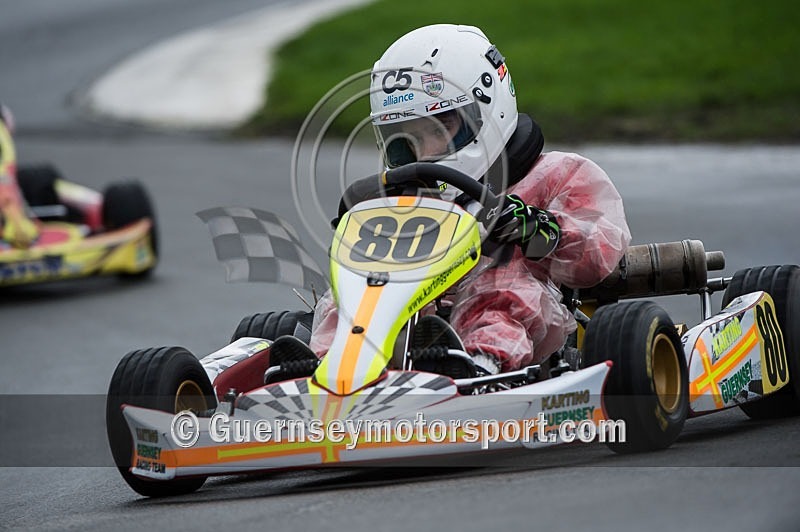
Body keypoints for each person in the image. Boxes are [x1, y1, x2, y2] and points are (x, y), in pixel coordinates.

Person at [307, 24, 631, 377]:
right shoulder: (403, 198)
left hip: (531, 322)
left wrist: (545, 229)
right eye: (405, 139)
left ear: (487, 107)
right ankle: (325, 370)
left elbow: (599, 254)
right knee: (354, 296)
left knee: (499, 285)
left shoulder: (556, 175)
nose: (424, 152)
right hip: (419, 316)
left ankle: (479, 367)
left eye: (439, 129)